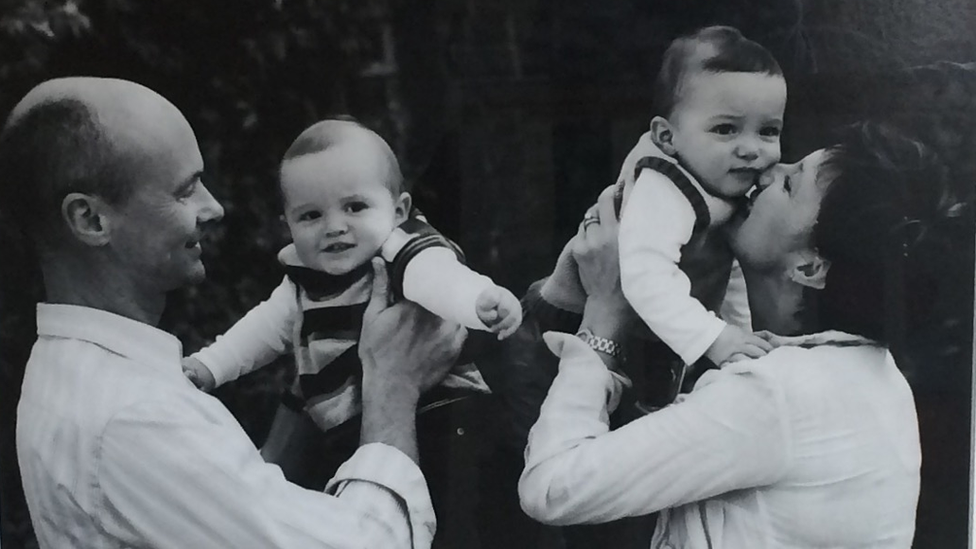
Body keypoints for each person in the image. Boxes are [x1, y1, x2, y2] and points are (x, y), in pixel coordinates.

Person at [5, 77, 465, 549]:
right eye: (185, 191)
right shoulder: (136, 420)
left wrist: (313, 381)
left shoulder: (73, 376)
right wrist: (390, 389)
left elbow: (231, 513)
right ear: (91, 220)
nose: (215, 208)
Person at [518, 122, 972, 547]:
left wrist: (605, 313)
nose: (770, 170)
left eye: (792, 185)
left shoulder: (778, 395)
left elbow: (554, 487)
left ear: (811, 268)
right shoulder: (866, 376)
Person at [181, 117, 520, 432]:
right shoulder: (304, 280)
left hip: (439, 415)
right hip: (343, 432)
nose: (334, 227)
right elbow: (260, 331)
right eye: (311, 216)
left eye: (355, 207)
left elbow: (441, 281)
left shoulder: (400, 253)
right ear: (289, 227)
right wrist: (208, 366)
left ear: (399, 210)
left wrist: (479, 302)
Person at [615, 25, 782, 373]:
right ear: (666, 137)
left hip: (648, 339)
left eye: (768, 131)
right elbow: (645, 275)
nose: (751, 149)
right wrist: (716, 339)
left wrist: (741, 340)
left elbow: (730, 274)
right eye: (725, 129)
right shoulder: (663, 185)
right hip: (573, 325)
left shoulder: (721, 184)